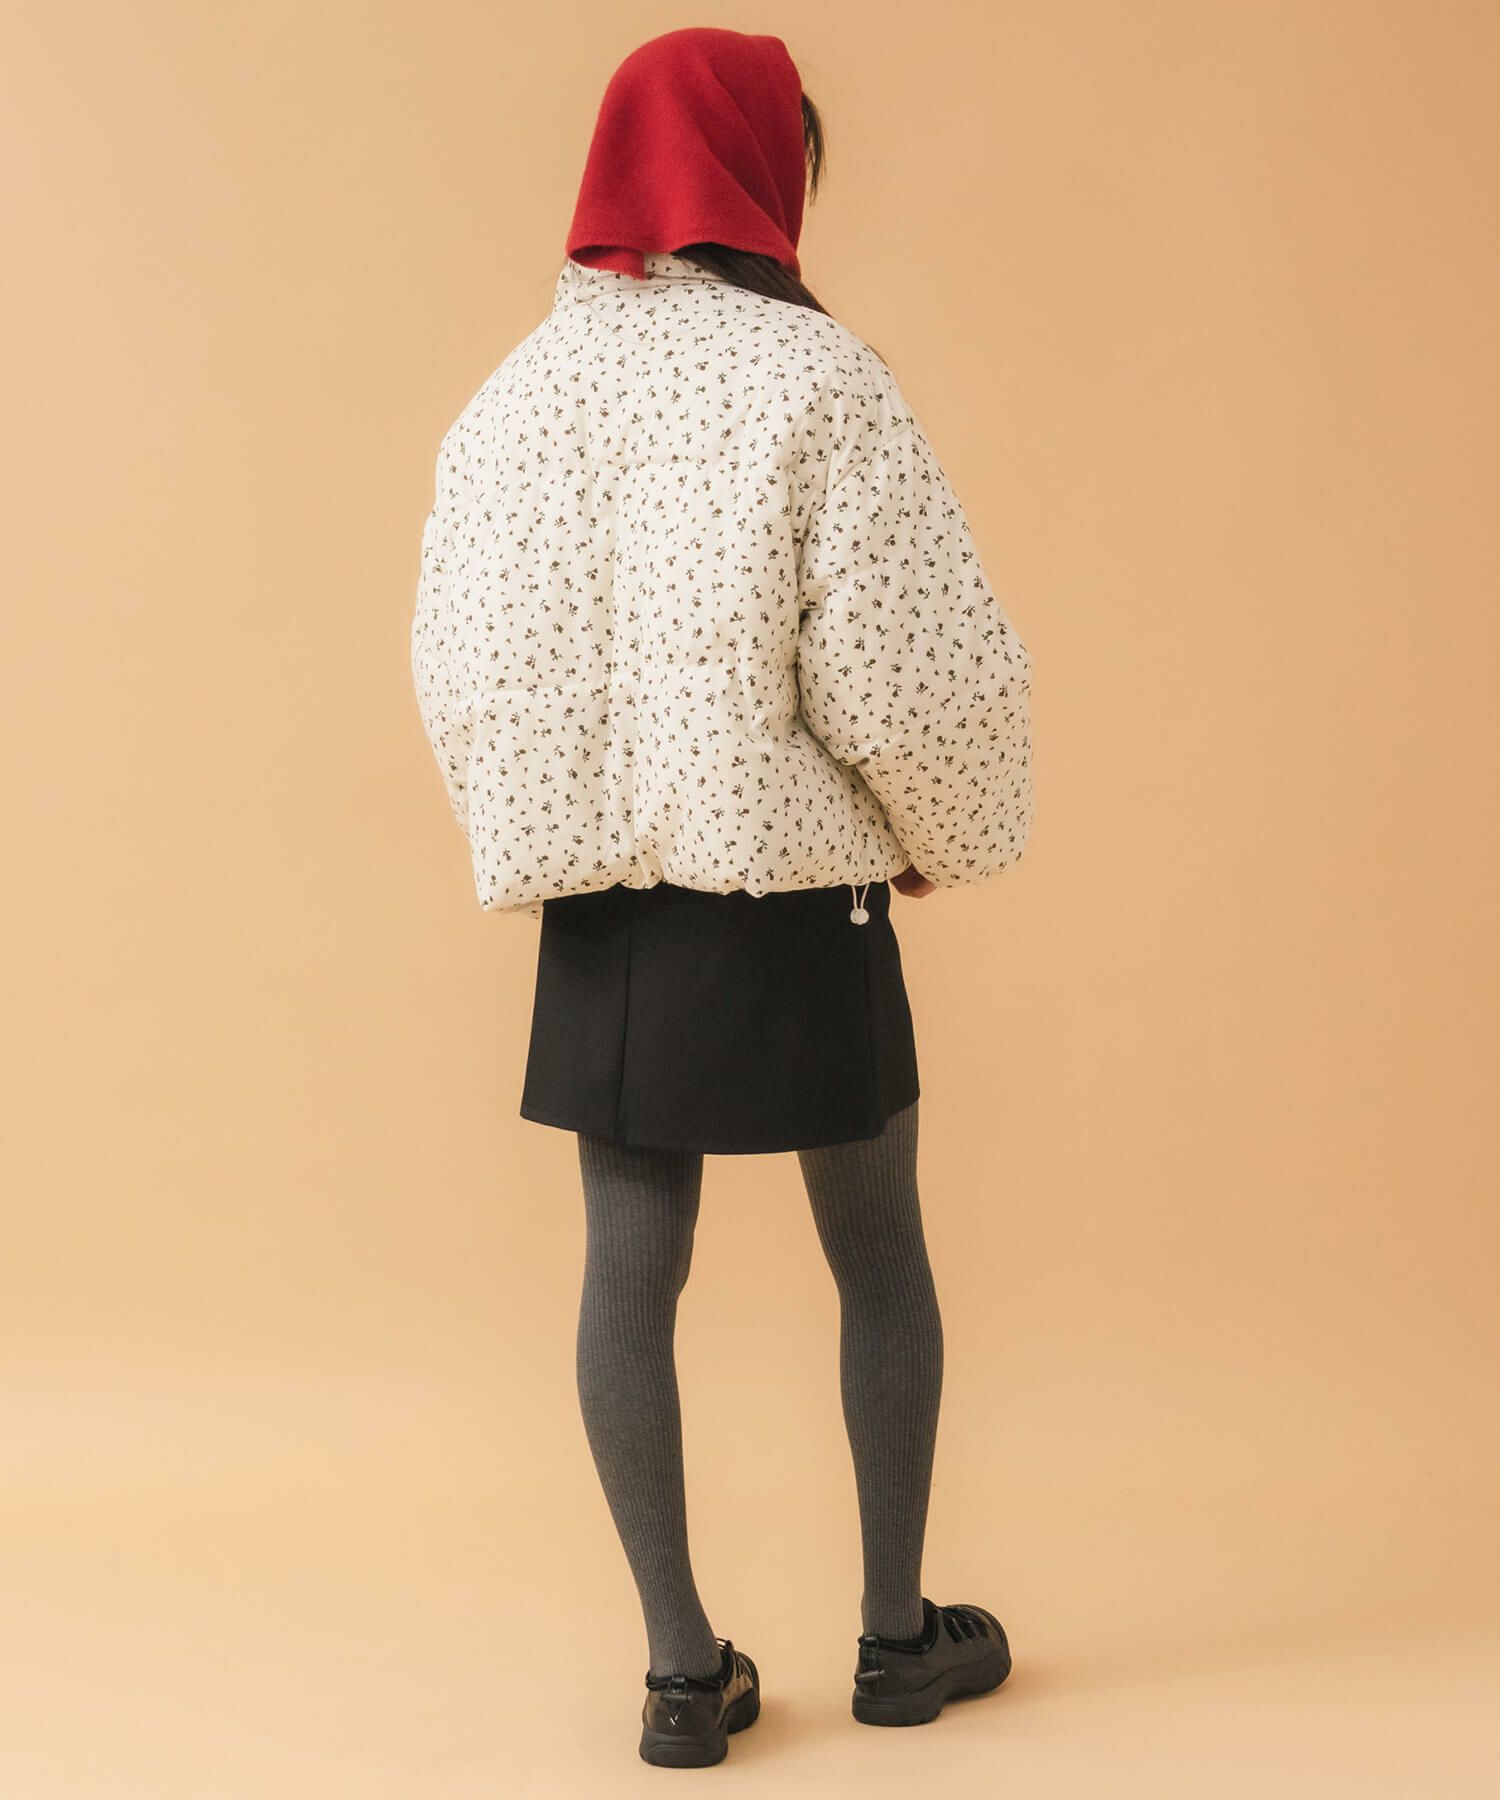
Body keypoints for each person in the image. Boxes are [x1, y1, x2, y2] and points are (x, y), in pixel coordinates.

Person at [410, 25, 1033, 1768]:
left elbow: (461, 662)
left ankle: (684, 1678)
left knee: (627, 1272)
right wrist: (942, 828)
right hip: (796, 893)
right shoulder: (820, 381)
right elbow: (908, 668)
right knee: (880, 1252)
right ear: (762, 171)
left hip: (611, 909)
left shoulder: (513, 397)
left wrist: (547, 828)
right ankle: (899, 1641)